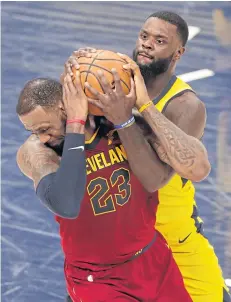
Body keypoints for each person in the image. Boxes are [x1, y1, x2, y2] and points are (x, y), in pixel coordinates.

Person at [66, 11, 230, 302]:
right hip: (115, 244)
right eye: (144, 36)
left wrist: (125, 119)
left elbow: (155, 179)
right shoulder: (108, 81)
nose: (147, 44)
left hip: (171, 236)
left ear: (178, 53)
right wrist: (76, 75)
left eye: (159, 40)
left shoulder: (184, 105)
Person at [16, 73, 192, 301]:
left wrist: (143, 108)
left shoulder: (119, 127)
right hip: (99, 279)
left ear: (63, 108)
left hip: (152, 258)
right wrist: (76, 125)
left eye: (44, 128)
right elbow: (66, 204)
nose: (41, 138)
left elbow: (197, 168)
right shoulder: (37, 153)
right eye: (34, 131)